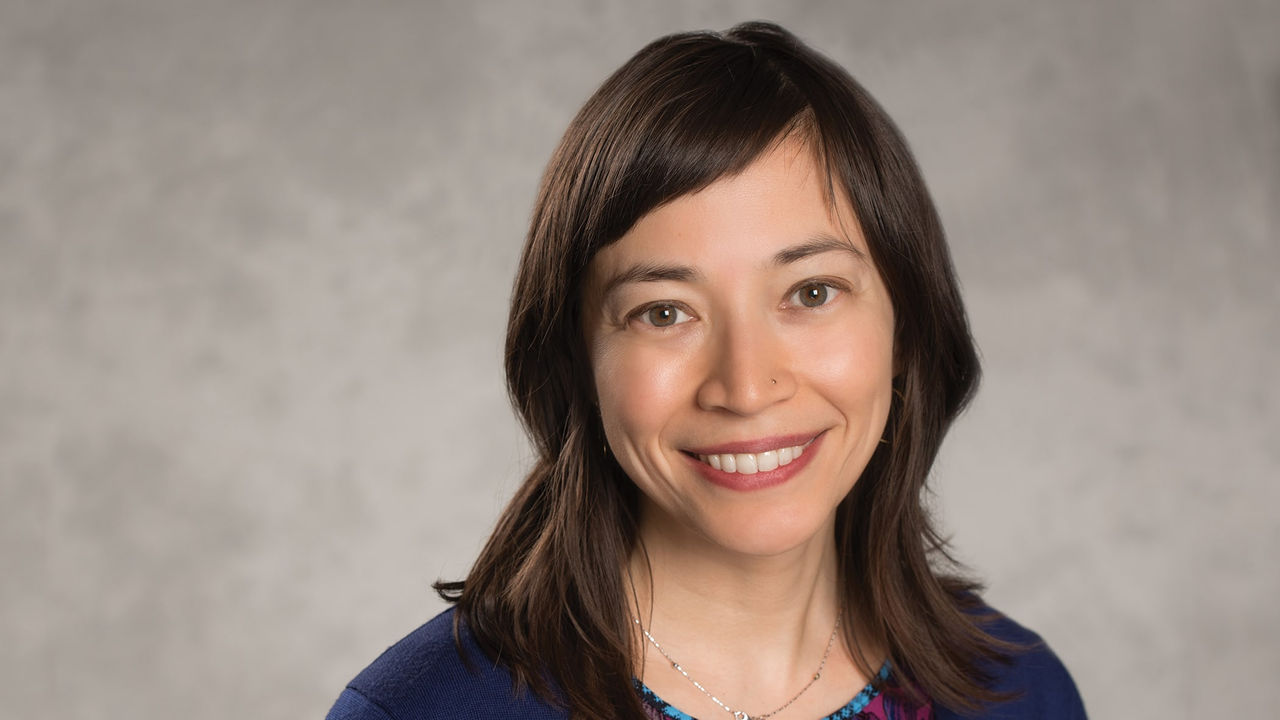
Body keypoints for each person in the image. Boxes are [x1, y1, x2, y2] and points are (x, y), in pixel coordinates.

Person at [326, 21, 1086, 720]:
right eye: (664, 312)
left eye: (811, 293)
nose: (747, 387)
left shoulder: (1021, 693)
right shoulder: (424, 713)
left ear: (908, 331)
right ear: (575, 357)